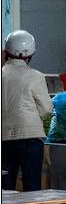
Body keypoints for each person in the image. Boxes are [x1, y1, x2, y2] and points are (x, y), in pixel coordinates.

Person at [2, 31, 52, 193]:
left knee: (5, 187)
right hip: (30, 140)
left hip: (4, 140)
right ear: (30, 54)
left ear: (6, 52)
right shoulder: (36, 76)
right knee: (32, 185)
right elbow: (46, 109)